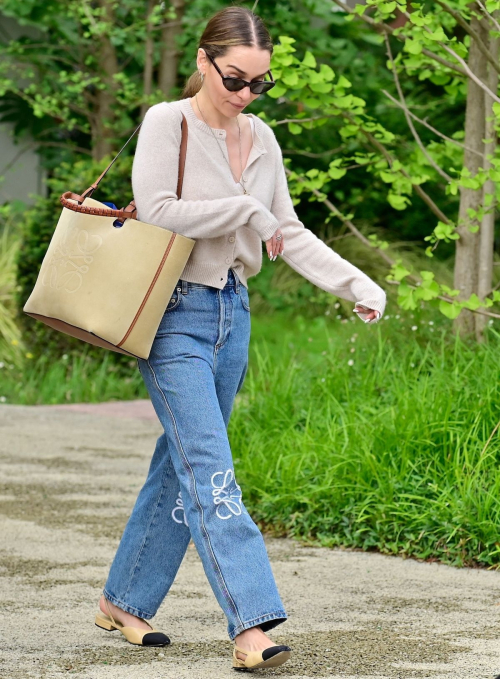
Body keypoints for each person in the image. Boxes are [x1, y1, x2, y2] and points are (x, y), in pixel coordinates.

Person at [94, 5, 386, 672]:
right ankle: (252, 622)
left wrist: (356, 285)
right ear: (203, 62)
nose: (247, 95)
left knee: (184, 461)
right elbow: (160, 208)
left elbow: (287, 229)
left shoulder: (261, 140)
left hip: (233, 316)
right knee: (212, 469)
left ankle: (122, 596)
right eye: (235, 79)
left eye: (261, 84)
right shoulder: (168, 123)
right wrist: (245, 208)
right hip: (172, 316)